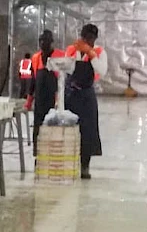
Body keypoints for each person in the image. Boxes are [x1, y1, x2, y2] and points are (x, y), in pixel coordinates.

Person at [65, 24, 108, 179]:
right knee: (69, 130)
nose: (87, 41)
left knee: (88, 131)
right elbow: (66, 69)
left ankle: (85, 166)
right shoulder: (72, 50)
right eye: (85, 38)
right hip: (71, 94)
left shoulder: (99, 52)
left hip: (87, 96)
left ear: (95, 39)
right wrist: (77, 53)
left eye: (90, 39)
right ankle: (69, 164)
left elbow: (101, 71)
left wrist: (91, 54)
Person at [27, 30, 65, 157]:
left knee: (53, 126)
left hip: (54, 99)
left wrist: (59, 100)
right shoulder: (35, 58)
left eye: (46, 41)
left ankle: (52, 152)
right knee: (38, 126)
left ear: (51, 42)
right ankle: (37, 152)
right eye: (41, 41)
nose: (43, 44)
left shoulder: (59, 55)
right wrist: (29, 101)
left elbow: (63, 80)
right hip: (40, 100)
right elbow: (33, 81)